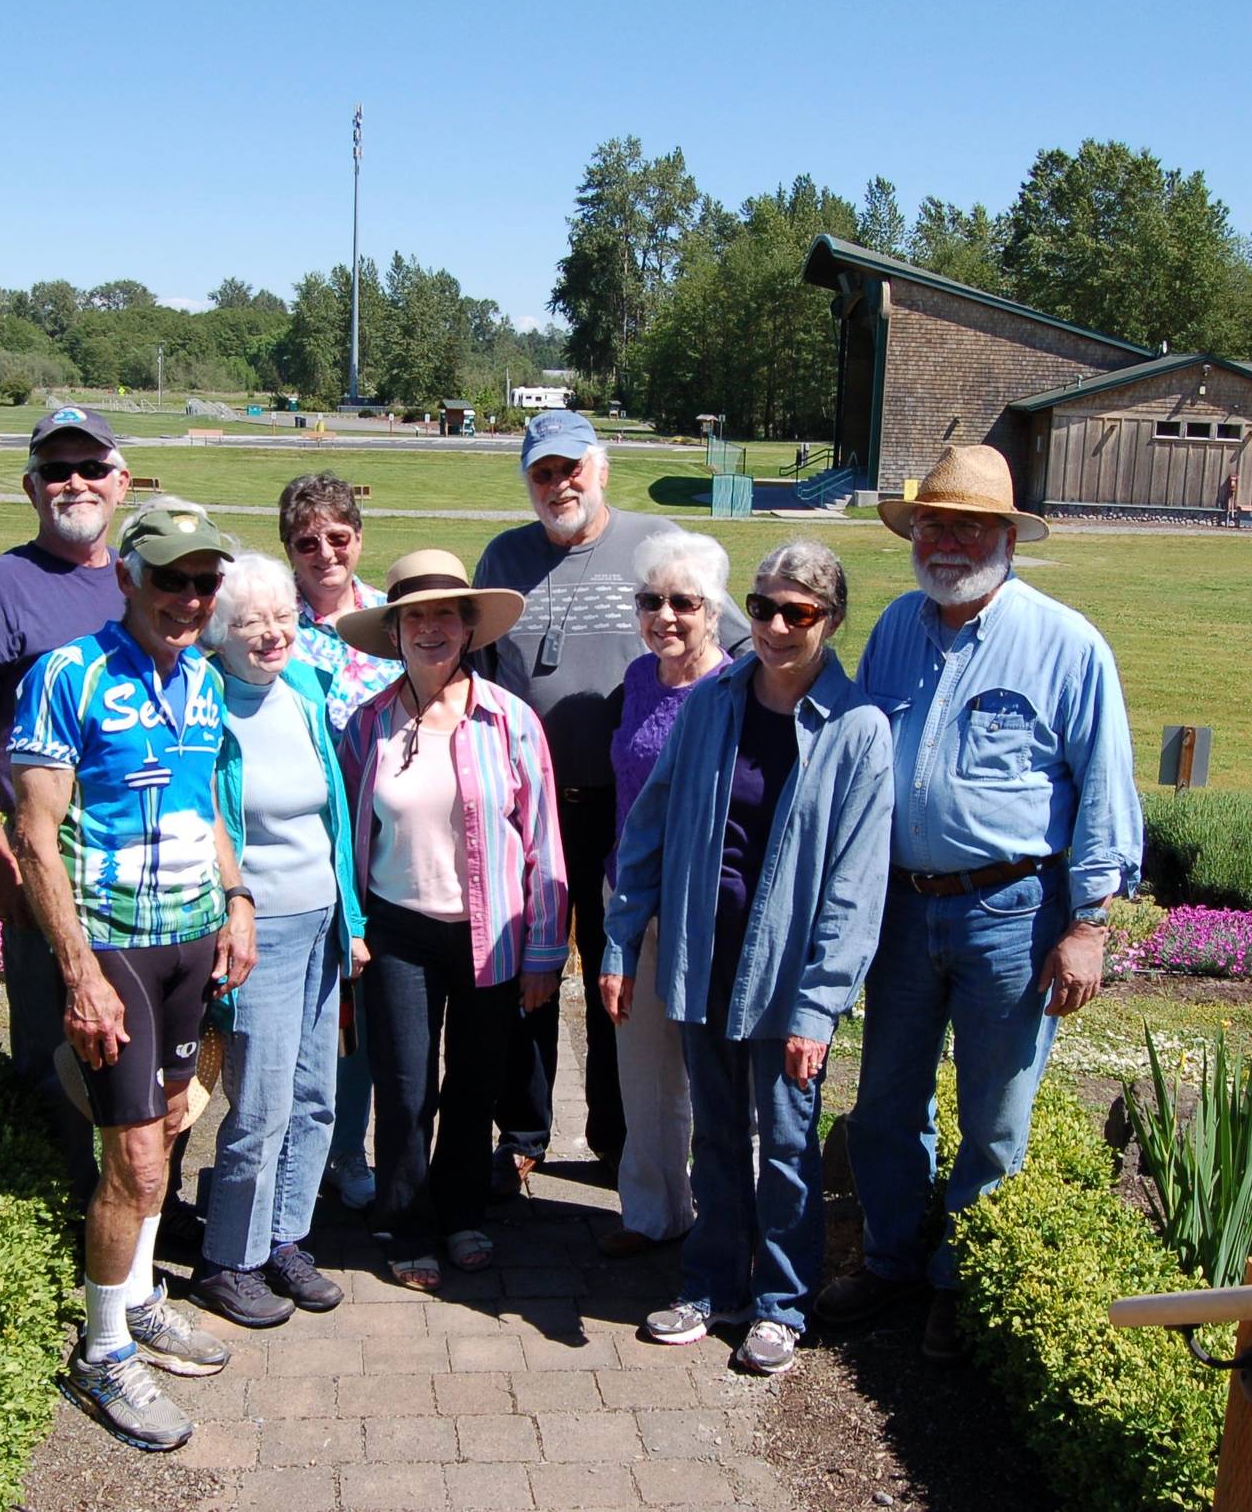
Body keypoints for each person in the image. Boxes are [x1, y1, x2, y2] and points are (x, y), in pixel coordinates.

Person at [818, 443, 1142, 1362]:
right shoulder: (893, 630)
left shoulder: (1066, 643)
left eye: (967, 525)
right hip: (906, 910)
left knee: (995, 1114)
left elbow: (1106, 787)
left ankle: (961, 1282)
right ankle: (891, 1258)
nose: (946, 541)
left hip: (1016, 912)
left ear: (1005, 536)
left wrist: (1088, 923)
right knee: (885, 1100)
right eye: (932, 522)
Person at [601, 540, 891, 1376]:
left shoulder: (858, 731)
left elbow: (855, 885)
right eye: (763, 607)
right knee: (719, 1138)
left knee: (789, 1148)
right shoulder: (714, 701)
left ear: (830, 622)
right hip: (704, 954)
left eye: (797, 612)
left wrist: (818, 1005)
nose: (774, 626)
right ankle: (714, 1284)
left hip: (788, 975)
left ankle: (783, 1302)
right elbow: (647, 830)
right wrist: (621, 938)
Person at [8, 497, 254, 1453]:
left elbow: (212, 807)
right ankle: (103, 1352)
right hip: (113, 943)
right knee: (137, 1159)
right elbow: (35, 835)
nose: (190, 598)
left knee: (174, 1123)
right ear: (128, 579)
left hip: (193, 939)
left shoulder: (200, 678)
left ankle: (141, 1297)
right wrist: (78, 972)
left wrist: (238, 901)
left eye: (205, 582)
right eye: (171, 580)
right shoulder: (67, 675)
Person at [473, 410, 750, 1193]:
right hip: (528, 806)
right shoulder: (504, 556)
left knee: (614, 973)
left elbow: (733, 646)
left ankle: (615, 1135)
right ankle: (521, 1131)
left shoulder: (654, 545)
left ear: (601, 469)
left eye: (571, 469)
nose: (559, 484)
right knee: (526, 971)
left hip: (627, 807)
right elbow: (479, 663)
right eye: (543, 473)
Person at [0, 405, 132, 1202]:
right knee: (57, 1053)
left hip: (147, 869)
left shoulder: (154, 578)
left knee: (150, 1053)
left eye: (91, 467)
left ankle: (143, 1216)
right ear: (31, 487)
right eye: (56, 469)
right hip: (50, 865)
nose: (75, 481)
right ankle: (59, 1220)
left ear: (122, 482)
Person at [335, 551, 569, 1291]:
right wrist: (353, 925)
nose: (431, 629)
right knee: (405, 1088)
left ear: (468, 628)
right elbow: (343, 834)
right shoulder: (366, 724)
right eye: (415, 616)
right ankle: (408, 1221)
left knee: (474, 1082)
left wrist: (544, 953)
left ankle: (462, 1211)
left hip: (491, 933)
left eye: (445, 614)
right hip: (399, 931)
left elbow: (544, 841)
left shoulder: (512, 721)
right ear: (395, 630)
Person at [195, 553, 367, 1328]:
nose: (272, 634)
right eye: (252, 621)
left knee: (316, 1095)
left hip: (322, 920)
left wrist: (353, 922)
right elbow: (203, 825)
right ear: (219, 631)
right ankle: (229, 1257)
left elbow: (333, 816)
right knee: (258, 1102)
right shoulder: (203, 702)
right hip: (255, 930)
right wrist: (231, 916)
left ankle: (285, 1237)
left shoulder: (304, 688)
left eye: (284, 618)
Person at [598, 531, 734, 1259]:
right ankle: (654, 1212)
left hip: (703, 904)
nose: (666, 615)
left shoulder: (735, 690)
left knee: (710, 1072)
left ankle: (724, 1217)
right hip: (629, 892)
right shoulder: (641, 677)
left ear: (715, 610)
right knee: (642, 1067)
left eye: (685, 601)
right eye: (651, 600)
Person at [277, 472, 403, 1213]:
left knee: (361, 999)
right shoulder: (269, 621)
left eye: (338, 538)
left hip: (378, 838)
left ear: (359, 539)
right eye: (306, 541)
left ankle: (349, 1145)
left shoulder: (389, 623)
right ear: (288, 550)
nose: (324, 553)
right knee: (299, 1003)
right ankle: (297, 1145)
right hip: (295, 841)